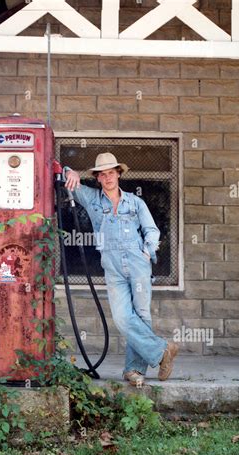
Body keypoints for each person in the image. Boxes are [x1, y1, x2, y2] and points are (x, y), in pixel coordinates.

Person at [64, 152, 179, 386]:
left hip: (138, 263)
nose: (107, 178)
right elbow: (66, 178)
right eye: (103, 174)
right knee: (122, 318)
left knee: (142, 315)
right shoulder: (92, 199)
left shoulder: (135, 202)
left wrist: (149, 250)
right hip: (113, 267)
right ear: (97, 178)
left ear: (118, 174)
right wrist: (70, 171)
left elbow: (151, 229)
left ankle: (134, 370)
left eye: (111, 173)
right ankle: (162, 350)